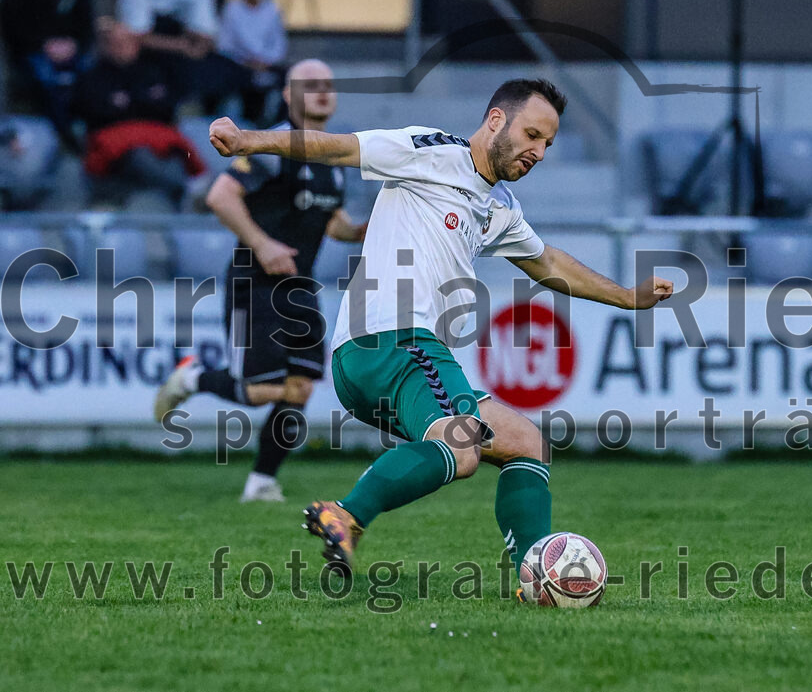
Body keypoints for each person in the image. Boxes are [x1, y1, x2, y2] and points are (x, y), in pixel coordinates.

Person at [202, 79, 674, 579]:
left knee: (525, 443)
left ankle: (534, 569)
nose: (538, 152)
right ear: (497, 120)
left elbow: (546, 261)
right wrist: (250, 139)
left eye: (548, 144)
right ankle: (347, 513)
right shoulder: (428, 150)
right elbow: (340, 147)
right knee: (462, 445)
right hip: (393, 340)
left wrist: (626, 296)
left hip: (393, 359)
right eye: (532, 134)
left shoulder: (500, 207)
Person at [153, 59, 367, 502]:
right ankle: (192, 378)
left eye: (328, 84)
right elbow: (220, 196)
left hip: (300, 287)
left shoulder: (335, 156)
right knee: (261, 390)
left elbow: (333, 223)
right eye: (309, 84)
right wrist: (263, 244)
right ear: (288, 96)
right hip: (258, 283)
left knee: (300, 388)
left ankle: (261, 482)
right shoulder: (273, 147)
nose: (322, 91)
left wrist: (366, 230)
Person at [74, 19, 203, 208]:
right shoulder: (94, 76)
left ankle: (188, 191)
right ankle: (184, 189)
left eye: (126, 42)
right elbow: (96, 111)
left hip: (158, 141)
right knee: (140, 156)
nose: (121, 48)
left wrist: (129, 103)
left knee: (178, 154)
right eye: (115, 43)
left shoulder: (153, 72)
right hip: (115, 149)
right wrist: (142, 102)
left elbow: (165, 108)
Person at [0, 0, 93, 146]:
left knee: (91, 75)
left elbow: (86, 22)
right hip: (33, 49)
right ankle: (65, 132)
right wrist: (43, 44)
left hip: (71, 48)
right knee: (47, 78)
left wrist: (73, 44)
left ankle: (89, 131)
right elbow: (12, 23)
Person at [115, 0, 224, 105]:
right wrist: (181, 46)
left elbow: (206, 34)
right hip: (146, 56)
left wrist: (197, 47)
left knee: (218, 72)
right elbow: (136, 36)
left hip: (186, 58)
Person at [216, 0, 287, 124]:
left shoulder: (273, 10)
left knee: (292, 77)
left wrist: (265, 61)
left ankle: (280, 125)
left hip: (267, 65)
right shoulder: (231, 9)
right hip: (239, 65)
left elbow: (279, 46)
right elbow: (224, 45)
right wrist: (247, 61)